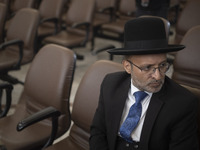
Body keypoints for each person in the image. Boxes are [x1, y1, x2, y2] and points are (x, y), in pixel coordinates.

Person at [89, 17, 199, 150]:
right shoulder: (110, 84)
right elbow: (98, 132)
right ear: (127, 66)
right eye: (147, 67)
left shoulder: (183, 104)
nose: (158, 76)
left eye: (163, 65)